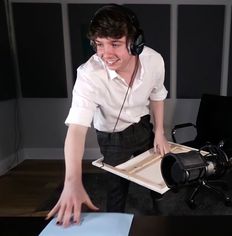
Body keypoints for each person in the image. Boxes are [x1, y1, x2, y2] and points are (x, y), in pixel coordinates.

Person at [47, 4, 170, 227]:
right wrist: (72, 181)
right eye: (99, 44)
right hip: (111, 136)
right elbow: (76, 129)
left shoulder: (154, 61)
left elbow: (157, 95)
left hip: (143, 125)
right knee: (116, 188)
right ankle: (115, 225)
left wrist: (159, 131)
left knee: (155, 173)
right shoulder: (88, 75)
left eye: (115, 44)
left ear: (135, 43)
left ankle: (158, 205)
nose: (106, 54)